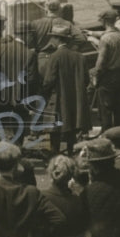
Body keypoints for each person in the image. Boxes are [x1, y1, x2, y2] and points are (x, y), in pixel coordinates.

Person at [42, 23, 91, 155]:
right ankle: (72, 153)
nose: (51, 40)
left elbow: (48, 80)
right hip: (76, 100)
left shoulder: (54, 56)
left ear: (57, 39)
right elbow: (86, 80)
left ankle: (55, 155)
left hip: (58, 98)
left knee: (55, 131)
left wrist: (44, 93)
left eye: (52, 37)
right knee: (72, 130)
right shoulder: (80, 57)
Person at [92, 7, 120, 130]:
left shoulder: (105, 38)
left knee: (106, 110)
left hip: (109, 77)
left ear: (104, 21)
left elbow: (101, 62)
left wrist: (95, 77)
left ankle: (107, 136)